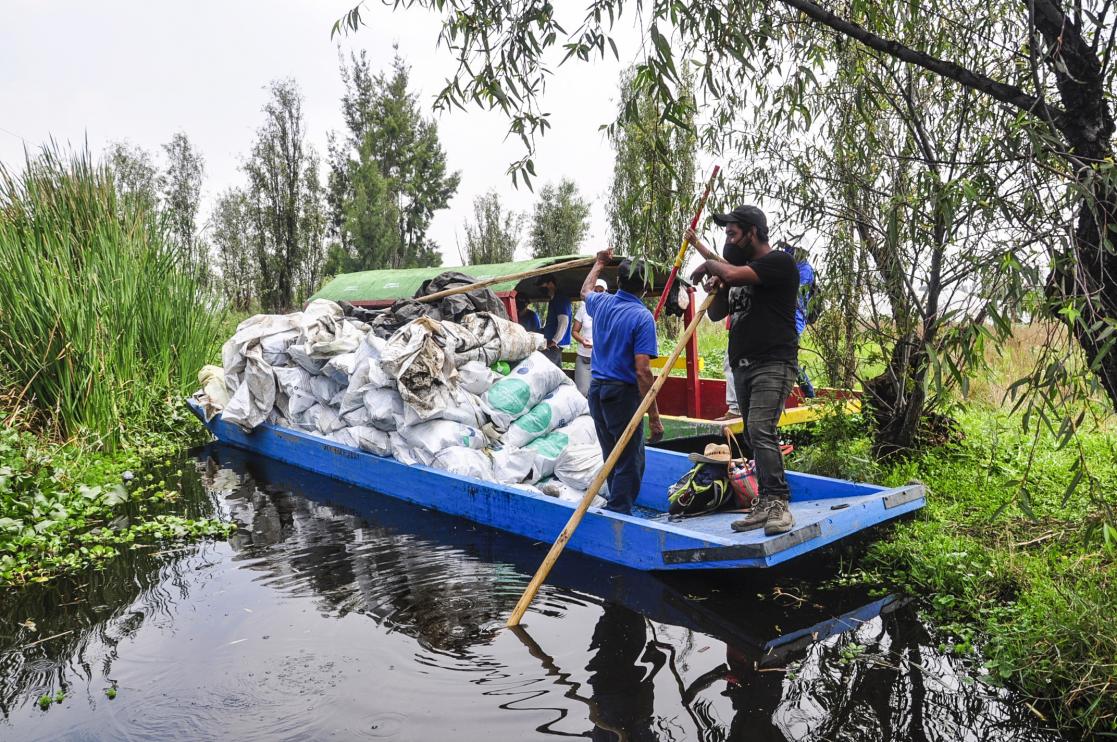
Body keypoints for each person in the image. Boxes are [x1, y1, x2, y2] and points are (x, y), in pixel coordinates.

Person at [687, 205, 799, 536]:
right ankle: (764, 503)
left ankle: (779, 503)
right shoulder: (738, 271)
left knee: (762, 429)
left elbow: (734, 274)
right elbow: (716, 315)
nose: (728, 238)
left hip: (773, 362)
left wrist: (712, 264)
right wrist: (717, 286)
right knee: (751, 433)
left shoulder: (778, 263)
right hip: (743, 366)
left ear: (752, 232)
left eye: (732, 232)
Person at [581, 250, 663, 515]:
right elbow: (642, 372)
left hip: (598, 391)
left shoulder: (602, 303)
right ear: (645, 286)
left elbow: (585, 291)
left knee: (611, 453)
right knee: (630, 459)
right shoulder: (641, 317)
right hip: (621, 395)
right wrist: (654, 416)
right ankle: (619, 512)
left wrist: (600, 262)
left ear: (618, 280)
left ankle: (617, 506)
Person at [778, 241, 817, 399]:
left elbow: (793, 292)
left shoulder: (805, 269)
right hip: (783, 319)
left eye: (791, 249)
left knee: (787, 359)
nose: (787, 251)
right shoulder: (789, 265)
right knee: (782, 358)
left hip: (794, 321)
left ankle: (809, 394)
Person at [573, 278, 608, 395]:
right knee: (582, 392)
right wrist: (582, 340)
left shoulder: (610, 311)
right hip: (584, 358)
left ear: (606, 292)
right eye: (595, 291)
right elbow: (574, 331)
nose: (598, 294)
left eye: (601, 291)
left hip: (601, 360)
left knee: (597, 394)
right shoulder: (583, 309)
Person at [536, 273, 572, 367]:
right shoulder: (554, 299)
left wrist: (555, 341)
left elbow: (564, 320)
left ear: (551, 284)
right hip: (554, 344)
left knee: (548, 370)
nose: (540, 288)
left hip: (554, 345)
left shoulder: (560, 298)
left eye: (542, 285)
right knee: (556, 372)